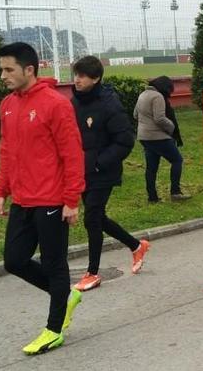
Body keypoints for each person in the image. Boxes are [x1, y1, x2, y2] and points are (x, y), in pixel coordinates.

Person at [0, 42, 85, 355]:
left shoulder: (55, 104)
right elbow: (7, 150)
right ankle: (66, 296)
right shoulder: (7, 104)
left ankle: (53, 330)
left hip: (52, 200)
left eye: (9, 69)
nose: (3, 75)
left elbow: (72, 154)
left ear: (29, 69)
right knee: (14, 260)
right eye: (2, 69)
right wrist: (2, 190)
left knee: (54, 264)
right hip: (22, 199)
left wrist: (72, 199)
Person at [71, 56, 150, 292]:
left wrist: (98, 163)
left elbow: (125, 141)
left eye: (82, 76)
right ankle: (137, 246)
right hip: (82, 169)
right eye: (75, 74)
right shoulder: (74, 102)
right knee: (98, 218)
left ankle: (92, 273)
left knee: (91, 218)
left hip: (103, 170)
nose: (77, 80)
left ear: (95, 78)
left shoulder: (109, 104)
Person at [134, 76, 191, 203]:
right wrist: (171, 127)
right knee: (177, 160)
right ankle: (175, 192)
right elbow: (159, 118)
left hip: (144, 137)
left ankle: (152, 197)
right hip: (158, 137)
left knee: (151, 168)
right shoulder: (157, 96)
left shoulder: (143, 94)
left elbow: (135, 115)